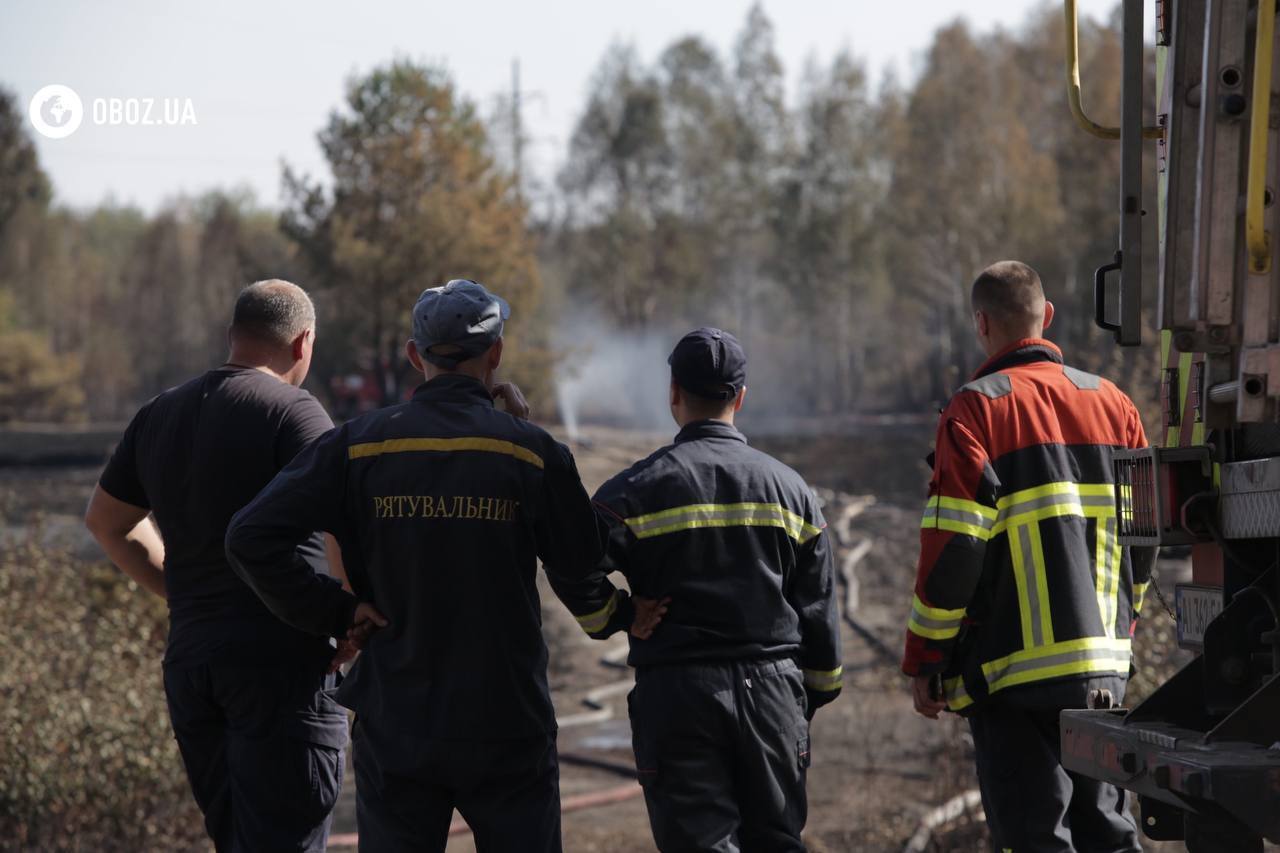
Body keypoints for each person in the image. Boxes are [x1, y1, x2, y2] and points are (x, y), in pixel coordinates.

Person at [224, 279, 633, 853]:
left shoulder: (358, 446)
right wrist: (526, 436)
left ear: (415, 356)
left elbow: (249, 537)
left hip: (398, 721)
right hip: (507, 722)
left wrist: (336, 610)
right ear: (496, 354)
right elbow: (584, 558)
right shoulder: (531, 453)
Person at [84, 279, 359, 852]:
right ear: (303, 342)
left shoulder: (160, 412)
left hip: (193, 668)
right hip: (280, 669)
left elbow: (107, 522)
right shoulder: (295, 412)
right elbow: (343, 524)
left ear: (233, 335)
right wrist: (352, 616)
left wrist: (179, 590)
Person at [552, 327, 843, 853]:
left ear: (673, 393)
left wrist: (618, 616)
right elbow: (819, 607)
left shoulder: (630, 492)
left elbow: (572, 565)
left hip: (678, 695)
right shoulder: (794, 492)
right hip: (774, 694)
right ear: (741, 397)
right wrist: (809, 697)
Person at [901, 260, 1154, 852]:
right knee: (1110, 835)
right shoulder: (1115, 403)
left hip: (1011, 677)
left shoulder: (973, 412)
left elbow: (954, 550)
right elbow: (1144, 537)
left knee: (1036, 839)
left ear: (981, 323)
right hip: (1100, 672)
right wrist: (1122, 630)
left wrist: (926, 658)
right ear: (1048, 316)